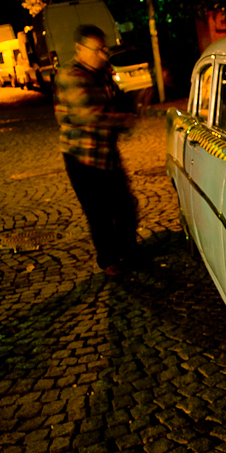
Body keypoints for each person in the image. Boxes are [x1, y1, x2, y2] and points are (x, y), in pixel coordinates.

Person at [54, 24, 139, 277]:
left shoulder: (102, 73)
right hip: (82, 158)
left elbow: (115, 100)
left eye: (105, 49)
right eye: (97, 50)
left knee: (125, 206)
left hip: (106, 154)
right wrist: (124, 120)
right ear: (79, 49)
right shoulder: (71, 75)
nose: (103, 55)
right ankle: (109, 260)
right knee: (99, 212)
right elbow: (89, 116)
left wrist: (135, 102)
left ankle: (128, 250)